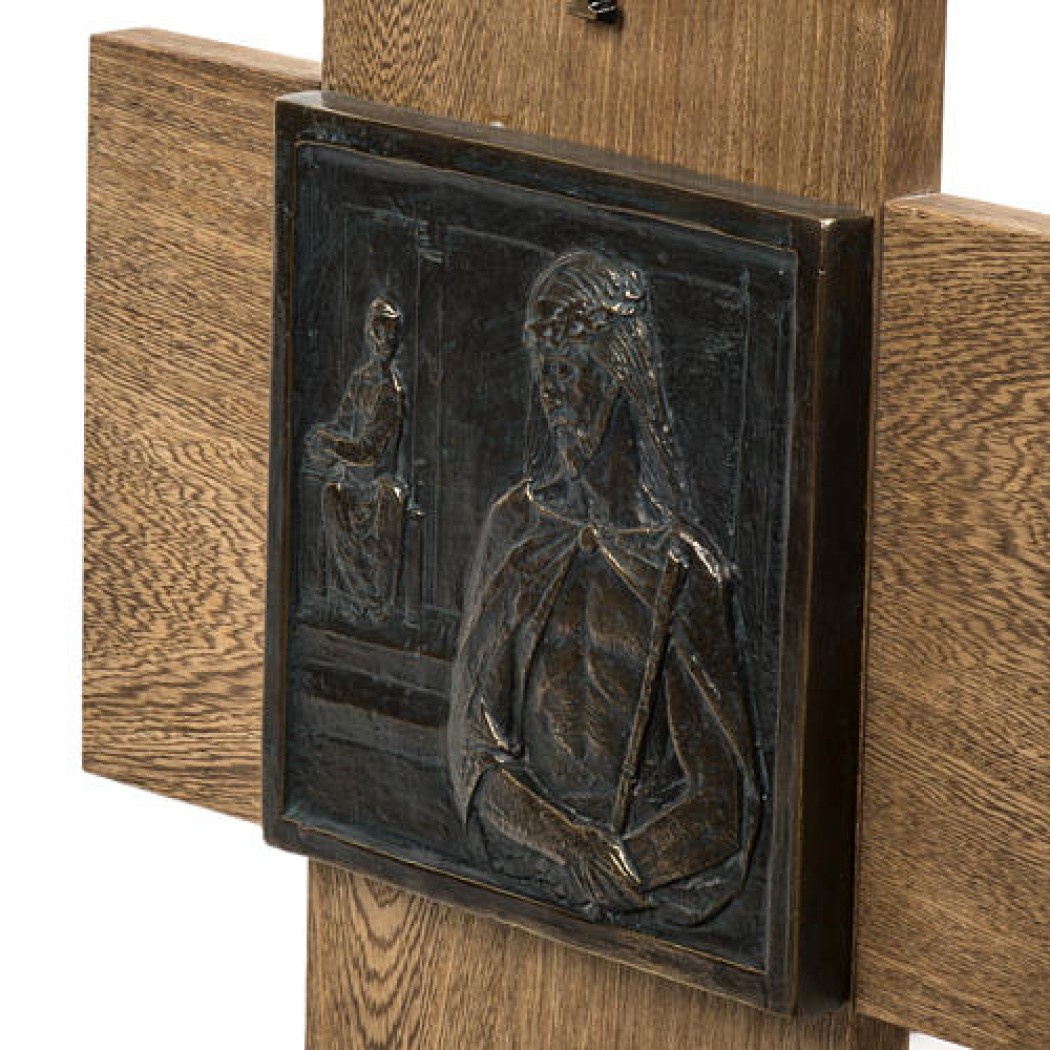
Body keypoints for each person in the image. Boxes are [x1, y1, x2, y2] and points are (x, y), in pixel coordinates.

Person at [448, 251, 759, 925]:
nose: (552, 396)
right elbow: (475, 751)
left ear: (619, 375)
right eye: (545, 373)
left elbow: (719, 804)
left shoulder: (682, 571)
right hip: (520, 886)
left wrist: (626, 867)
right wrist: (570, 847)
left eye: (570, 371)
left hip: (636, 900)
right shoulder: (517, 531)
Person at [305, 297, 406, 624]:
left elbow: (369, 451)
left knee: (387, 499)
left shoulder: (390, 393)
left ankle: (373, 604)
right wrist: (321, 437)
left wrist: (331, 445)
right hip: (351, 481)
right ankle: (350, 597)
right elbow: (343, 423)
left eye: (392, 335)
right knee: (329, 494)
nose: (386, 342)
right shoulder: (360, 380)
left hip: (378, 482)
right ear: (370, 335)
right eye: (380, 333)